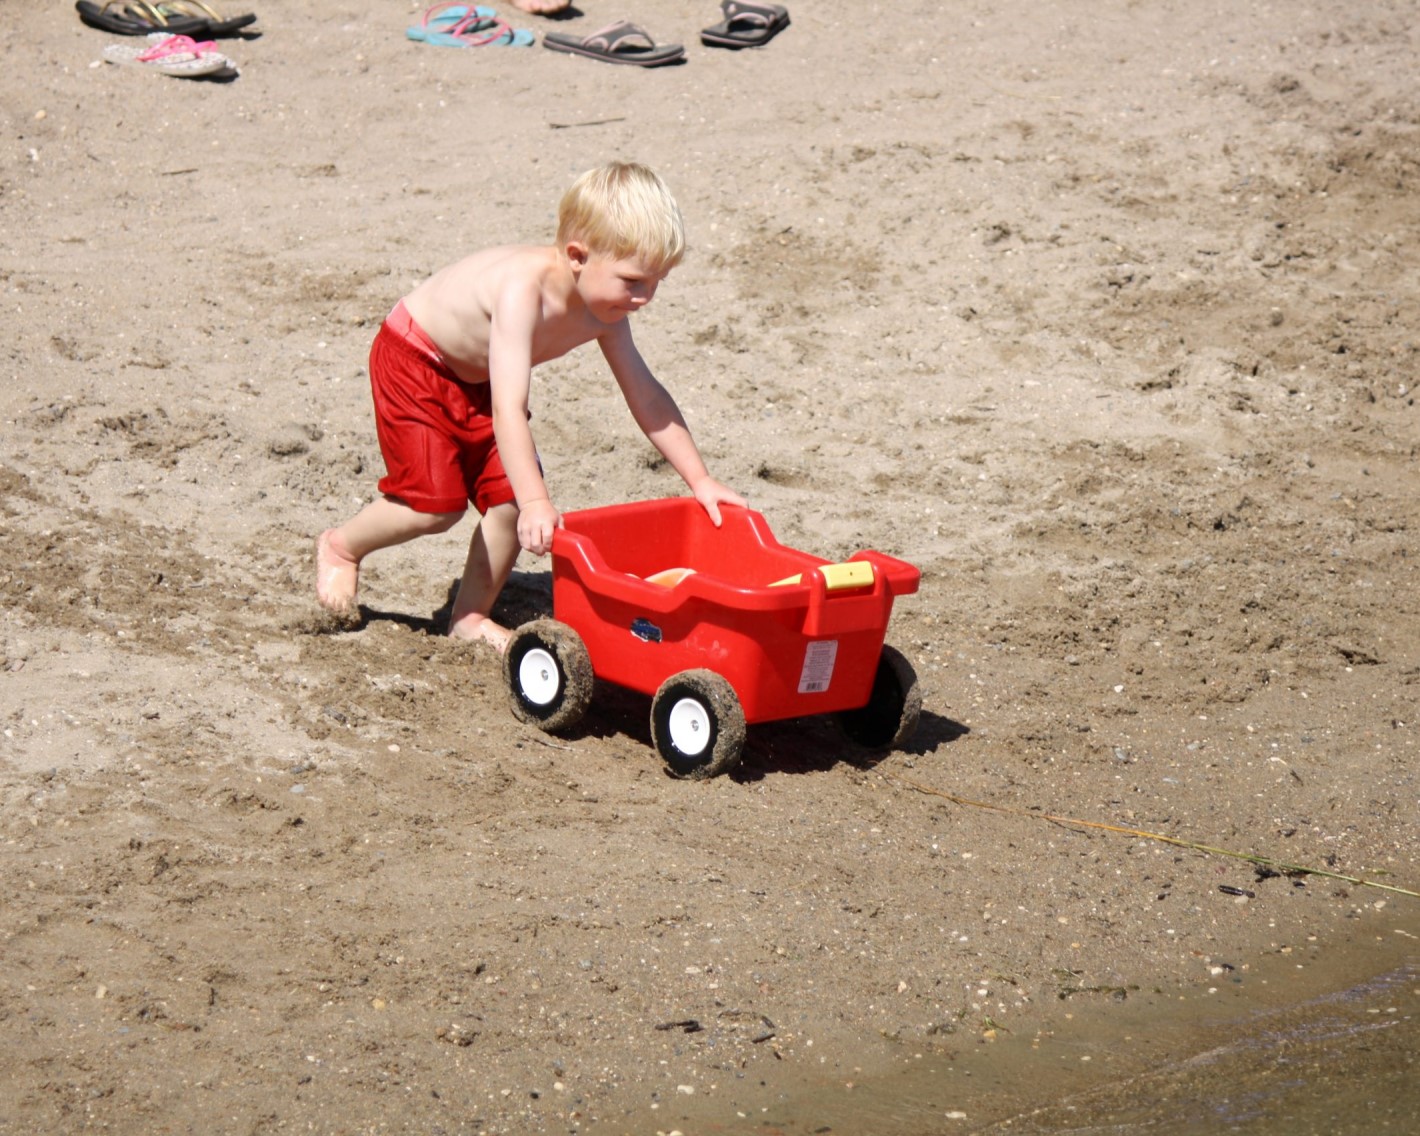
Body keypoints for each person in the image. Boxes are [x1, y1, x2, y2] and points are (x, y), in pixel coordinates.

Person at [316, 161, 745, 651]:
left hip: (481, 380)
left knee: (509, 503)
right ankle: (342, 547)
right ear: (578, 256)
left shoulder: (607, 313)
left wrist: (701, 480)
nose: (645, 298)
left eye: (657, 282)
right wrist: (540, 501)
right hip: (416, 360)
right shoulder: (523, 291)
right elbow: (510, 409)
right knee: (433, 505)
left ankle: (470, 616)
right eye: (633, 281)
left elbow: (646, 395)